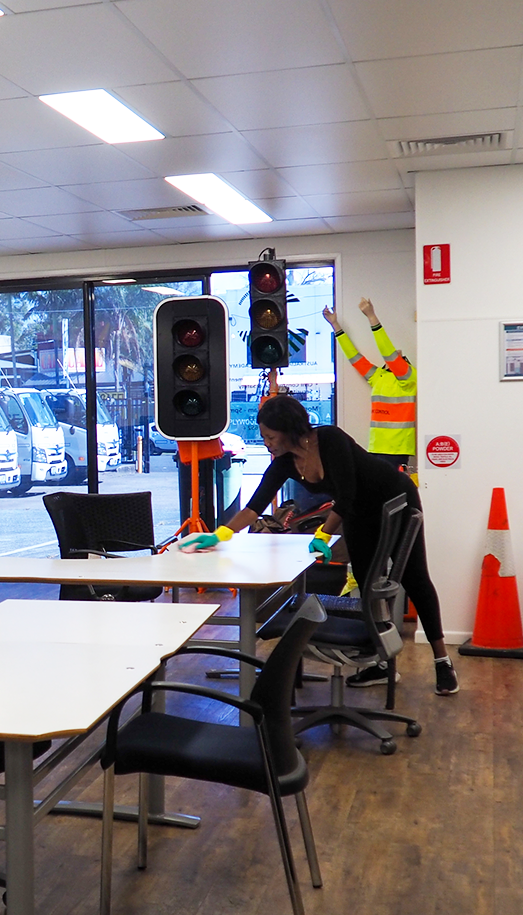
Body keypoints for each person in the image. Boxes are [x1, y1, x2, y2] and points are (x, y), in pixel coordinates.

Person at [180, 394, 458, 695]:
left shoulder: (329, 438)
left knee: (414, 578)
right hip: (356, 512)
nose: (267, 443)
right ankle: (380, 661)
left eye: (270, 436)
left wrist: (323, 535)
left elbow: (347, 493)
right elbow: (253, 508)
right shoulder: (285, 464)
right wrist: (219, 534)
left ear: (288, 429)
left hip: (393, 497)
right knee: (367, 583)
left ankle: (442, 661)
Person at [324, 297, 416, 470]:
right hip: (375, 448)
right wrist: (335, 326)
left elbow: (387, 352)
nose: (392, 358)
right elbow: (354, 357)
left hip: (397, 451)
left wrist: (372, 317)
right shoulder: (379, 376)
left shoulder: (408, 378)